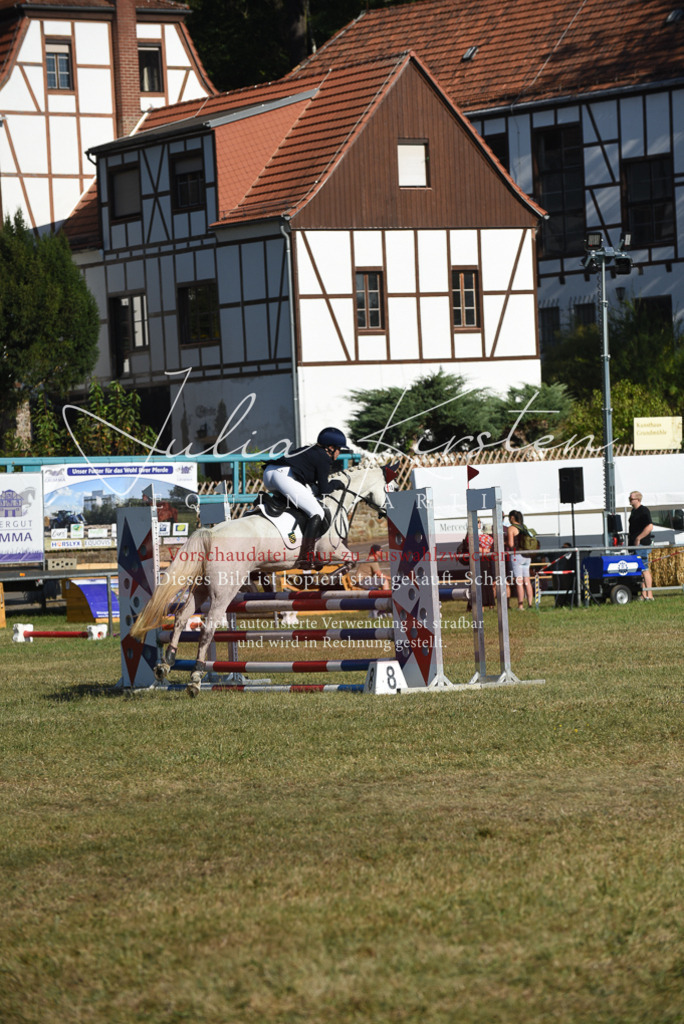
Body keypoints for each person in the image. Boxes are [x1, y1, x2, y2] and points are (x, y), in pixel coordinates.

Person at [262, 427, 349, 563]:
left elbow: (311, 484)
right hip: (284, 476)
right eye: (339, 449)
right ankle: (306, 555)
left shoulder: (309, 449)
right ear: (331, 448)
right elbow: (324, 490)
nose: (339, 453)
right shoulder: (324, 457)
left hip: (269, 473)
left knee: (296, 502)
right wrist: (337, 483)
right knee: (317, 512)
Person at [628, 490, 654, 600]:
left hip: (642, 544)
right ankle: (644, 594)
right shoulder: (633, 511)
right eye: (629, 498)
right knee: (640, 570)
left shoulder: (643, 511)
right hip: (635, 545)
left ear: (638, 499)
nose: (630, 500)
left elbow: (650, 526)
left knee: (644, 569)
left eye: (631, 498)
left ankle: (650, 595)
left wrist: (639, 538)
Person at [506, 510, 535, 610]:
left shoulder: (511, 528)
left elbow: (511, 544)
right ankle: (530, 604)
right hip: (527, 556)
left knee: (519, 581)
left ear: (512, 518)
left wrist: (505, 542)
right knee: (527, 580)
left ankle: (520, 605)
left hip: (517, 555)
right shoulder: (524, 527)